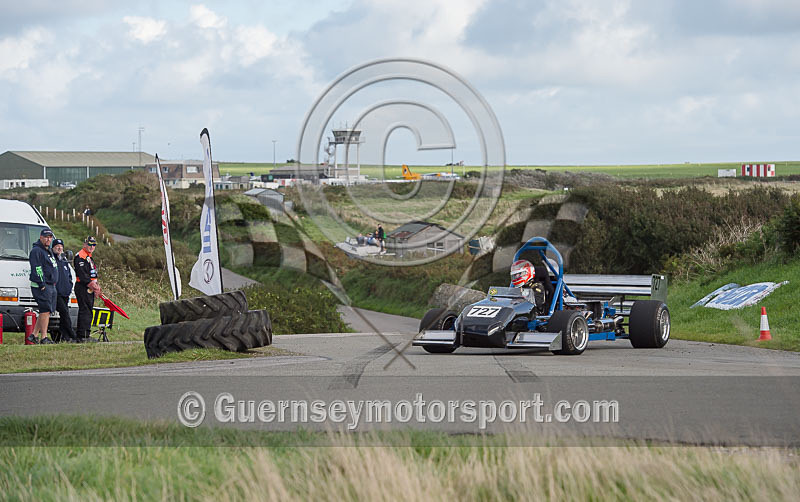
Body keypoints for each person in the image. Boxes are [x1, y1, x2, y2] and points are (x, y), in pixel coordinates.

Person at [28, 228, 59, 344]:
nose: (48, 239)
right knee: (45, 310)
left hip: (51, 285)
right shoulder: (37, 251)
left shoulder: (48, 250)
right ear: (41, 237)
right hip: (42, 285)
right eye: (46, 237)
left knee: (45, 311)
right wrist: (42, 284)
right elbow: (37, 268)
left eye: (50, 237)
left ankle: (34, 335)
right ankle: (43, 337)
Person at [74, 236, 100, 342]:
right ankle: (82, 336)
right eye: (89, 244)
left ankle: (86, 334)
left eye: (94, 244)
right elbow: (82, 275)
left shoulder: (89, 256)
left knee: (89, 310)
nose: (92, 247)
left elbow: (92, 273)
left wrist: (97, 285)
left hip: (90, 286)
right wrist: (93, 285)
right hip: (83, 286)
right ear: (84, 244)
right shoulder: (80, 256)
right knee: (85, 310)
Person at [52, 238, 77, 343]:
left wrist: (70, 285)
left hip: (65, 292)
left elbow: (69, 275)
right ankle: (72, 334)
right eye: (57, 246)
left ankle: (65, 336)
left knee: (63, 315)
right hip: (56, 293)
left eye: (61, 246)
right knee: (65, 312)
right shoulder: (52, 260)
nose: (59, 248)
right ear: (53, 248)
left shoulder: (64, 260)